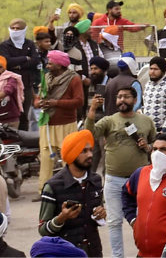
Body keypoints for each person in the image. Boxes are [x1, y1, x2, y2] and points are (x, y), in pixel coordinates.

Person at [85, 84, 155, 258]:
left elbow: (157, 147)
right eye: (119, 97)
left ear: (135, 99)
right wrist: (92, 110)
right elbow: (89, 133)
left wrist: (148, 147)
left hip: (140, 180)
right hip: (114, 180)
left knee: (143, 221)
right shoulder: (109, 120)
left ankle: (145, 253)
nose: (122, 100)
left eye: (126, 96)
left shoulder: (146, 121)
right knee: (114, 222)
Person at [37, 130, 104, 256]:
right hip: (66, 252)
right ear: (72, 155)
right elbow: (43, 230)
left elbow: (96, 216)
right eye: (84, 151)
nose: (90, 154)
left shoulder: (96, 180)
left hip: (93, 251)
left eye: (90, 150)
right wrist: (61, 218)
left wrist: (101, 214)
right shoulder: (53, 186)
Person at [121, 132, 166, 257]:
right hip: (142, 253)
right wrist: (133, 220)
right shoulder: (141, 173)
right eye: (155, 149)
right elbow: (126, 194)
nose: (157, 153)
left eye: (163, 149)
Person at [35, 49, 83, 186]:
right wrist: (39, 103)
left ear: (59, 65)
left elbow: (79, 101)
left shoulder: (74, 79)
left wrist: (55, 103)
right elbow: (37, 99)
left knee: (68, 157)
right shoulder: (47, 78)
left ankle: (69, 186)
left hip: (66, 124)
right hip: (47, 124)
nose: (47, 66)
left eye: (50, 64)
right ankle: (44, 189)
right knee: (45, 158)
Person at [1, 19, 40, 130]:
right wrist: (25, 58)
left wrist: (19, 66)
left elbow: (35, 61)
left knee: (24, 114)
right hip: (8, 86)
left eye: (18, 28)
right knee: (10, 114)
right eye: (13, 28)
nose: (15, 31)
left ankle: (24, 139)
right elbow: (7, 61)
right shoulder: (5, 45)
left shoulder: (29, 44)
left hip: (26, 85)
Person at [138, 56, 166, 132]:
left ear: (163, 71)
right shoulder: (148, 85)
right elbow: (146, 105)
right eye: (151, 68)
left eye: (156, 69)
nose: (152, 72)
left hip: (162, 131)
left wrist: (165, 129)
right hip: (148, 130)